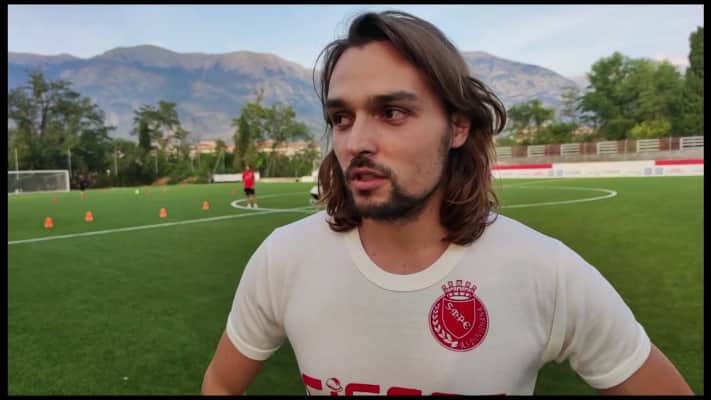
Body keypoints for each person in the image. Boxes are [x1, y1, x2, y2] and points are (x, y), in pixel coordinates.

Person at [202, 11, 693, 396]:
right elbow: (221, 383)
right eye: (342, 118)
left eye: (392, 112)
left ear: (458, 126)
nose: (356, 142)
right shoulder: (285, 258)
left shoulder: (547, 272)